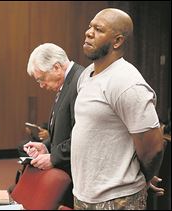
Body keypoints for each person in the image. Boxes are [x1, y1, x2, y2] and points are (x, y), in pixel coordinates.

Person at [70, 8, 166, 209]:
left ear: (117, 41)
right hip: (84, 194)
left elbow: (153, 148)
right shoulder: (87, 74)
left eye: (98, 29)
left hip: (118, 198)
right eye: (90, 26)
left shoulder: (126, 82)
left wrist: (142, 180)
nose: (89, 32)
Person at [23, 43, 85, 207]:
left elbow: (83, 135)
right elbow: (63, 130)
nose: (42, 85)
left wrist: (54, 157)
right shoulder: (68, 82)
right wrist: (46, 147)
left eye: (41, 79)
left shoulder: (80, 82)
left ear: (57, 67)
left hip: (79, 178)